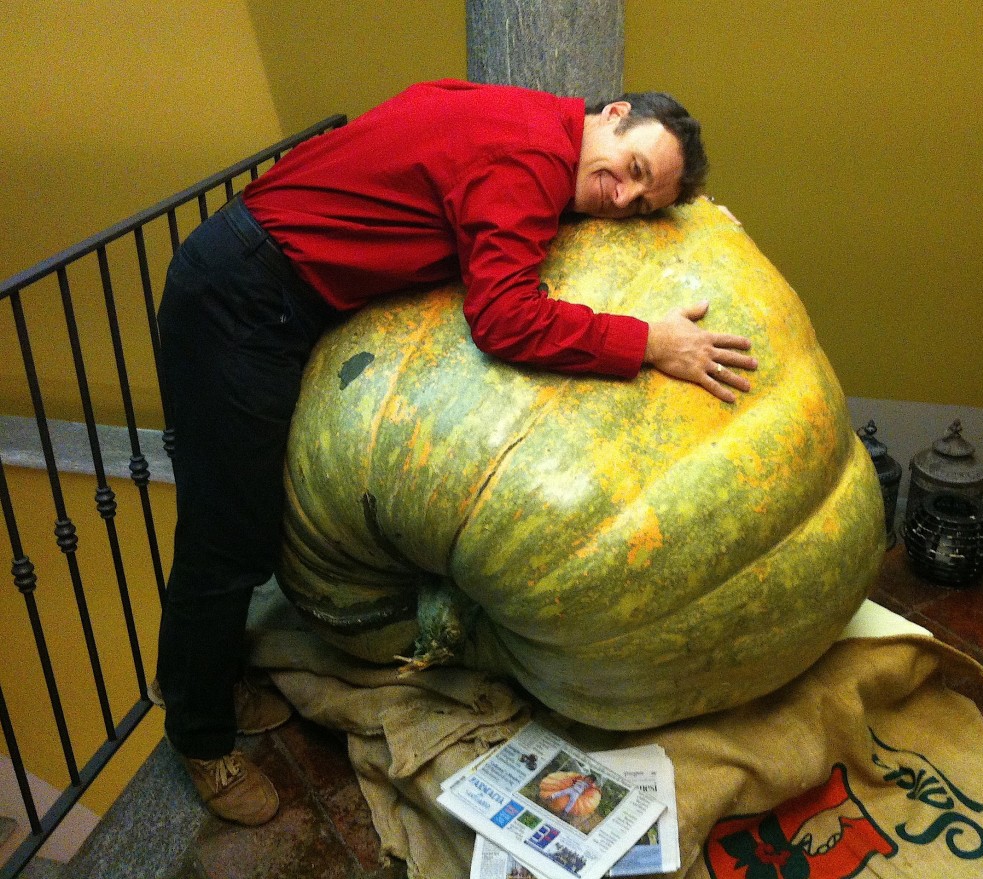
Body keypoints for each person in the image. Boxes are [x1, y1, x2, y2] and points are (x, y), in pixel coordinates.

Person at [153, 78, 757, 826]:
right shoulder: (528, 165)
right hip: (242, 296)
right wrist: (649, 342)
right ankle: (199, 733)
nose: (623, 197)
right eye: (632, 170)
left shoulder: (535, 121)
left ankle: (205, 678)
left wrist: (694, 219)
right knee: (228, 533)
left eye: (643, 204)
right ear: (613, 114)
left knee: (245, 511)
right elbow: (504, 319)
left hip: (262, 271)